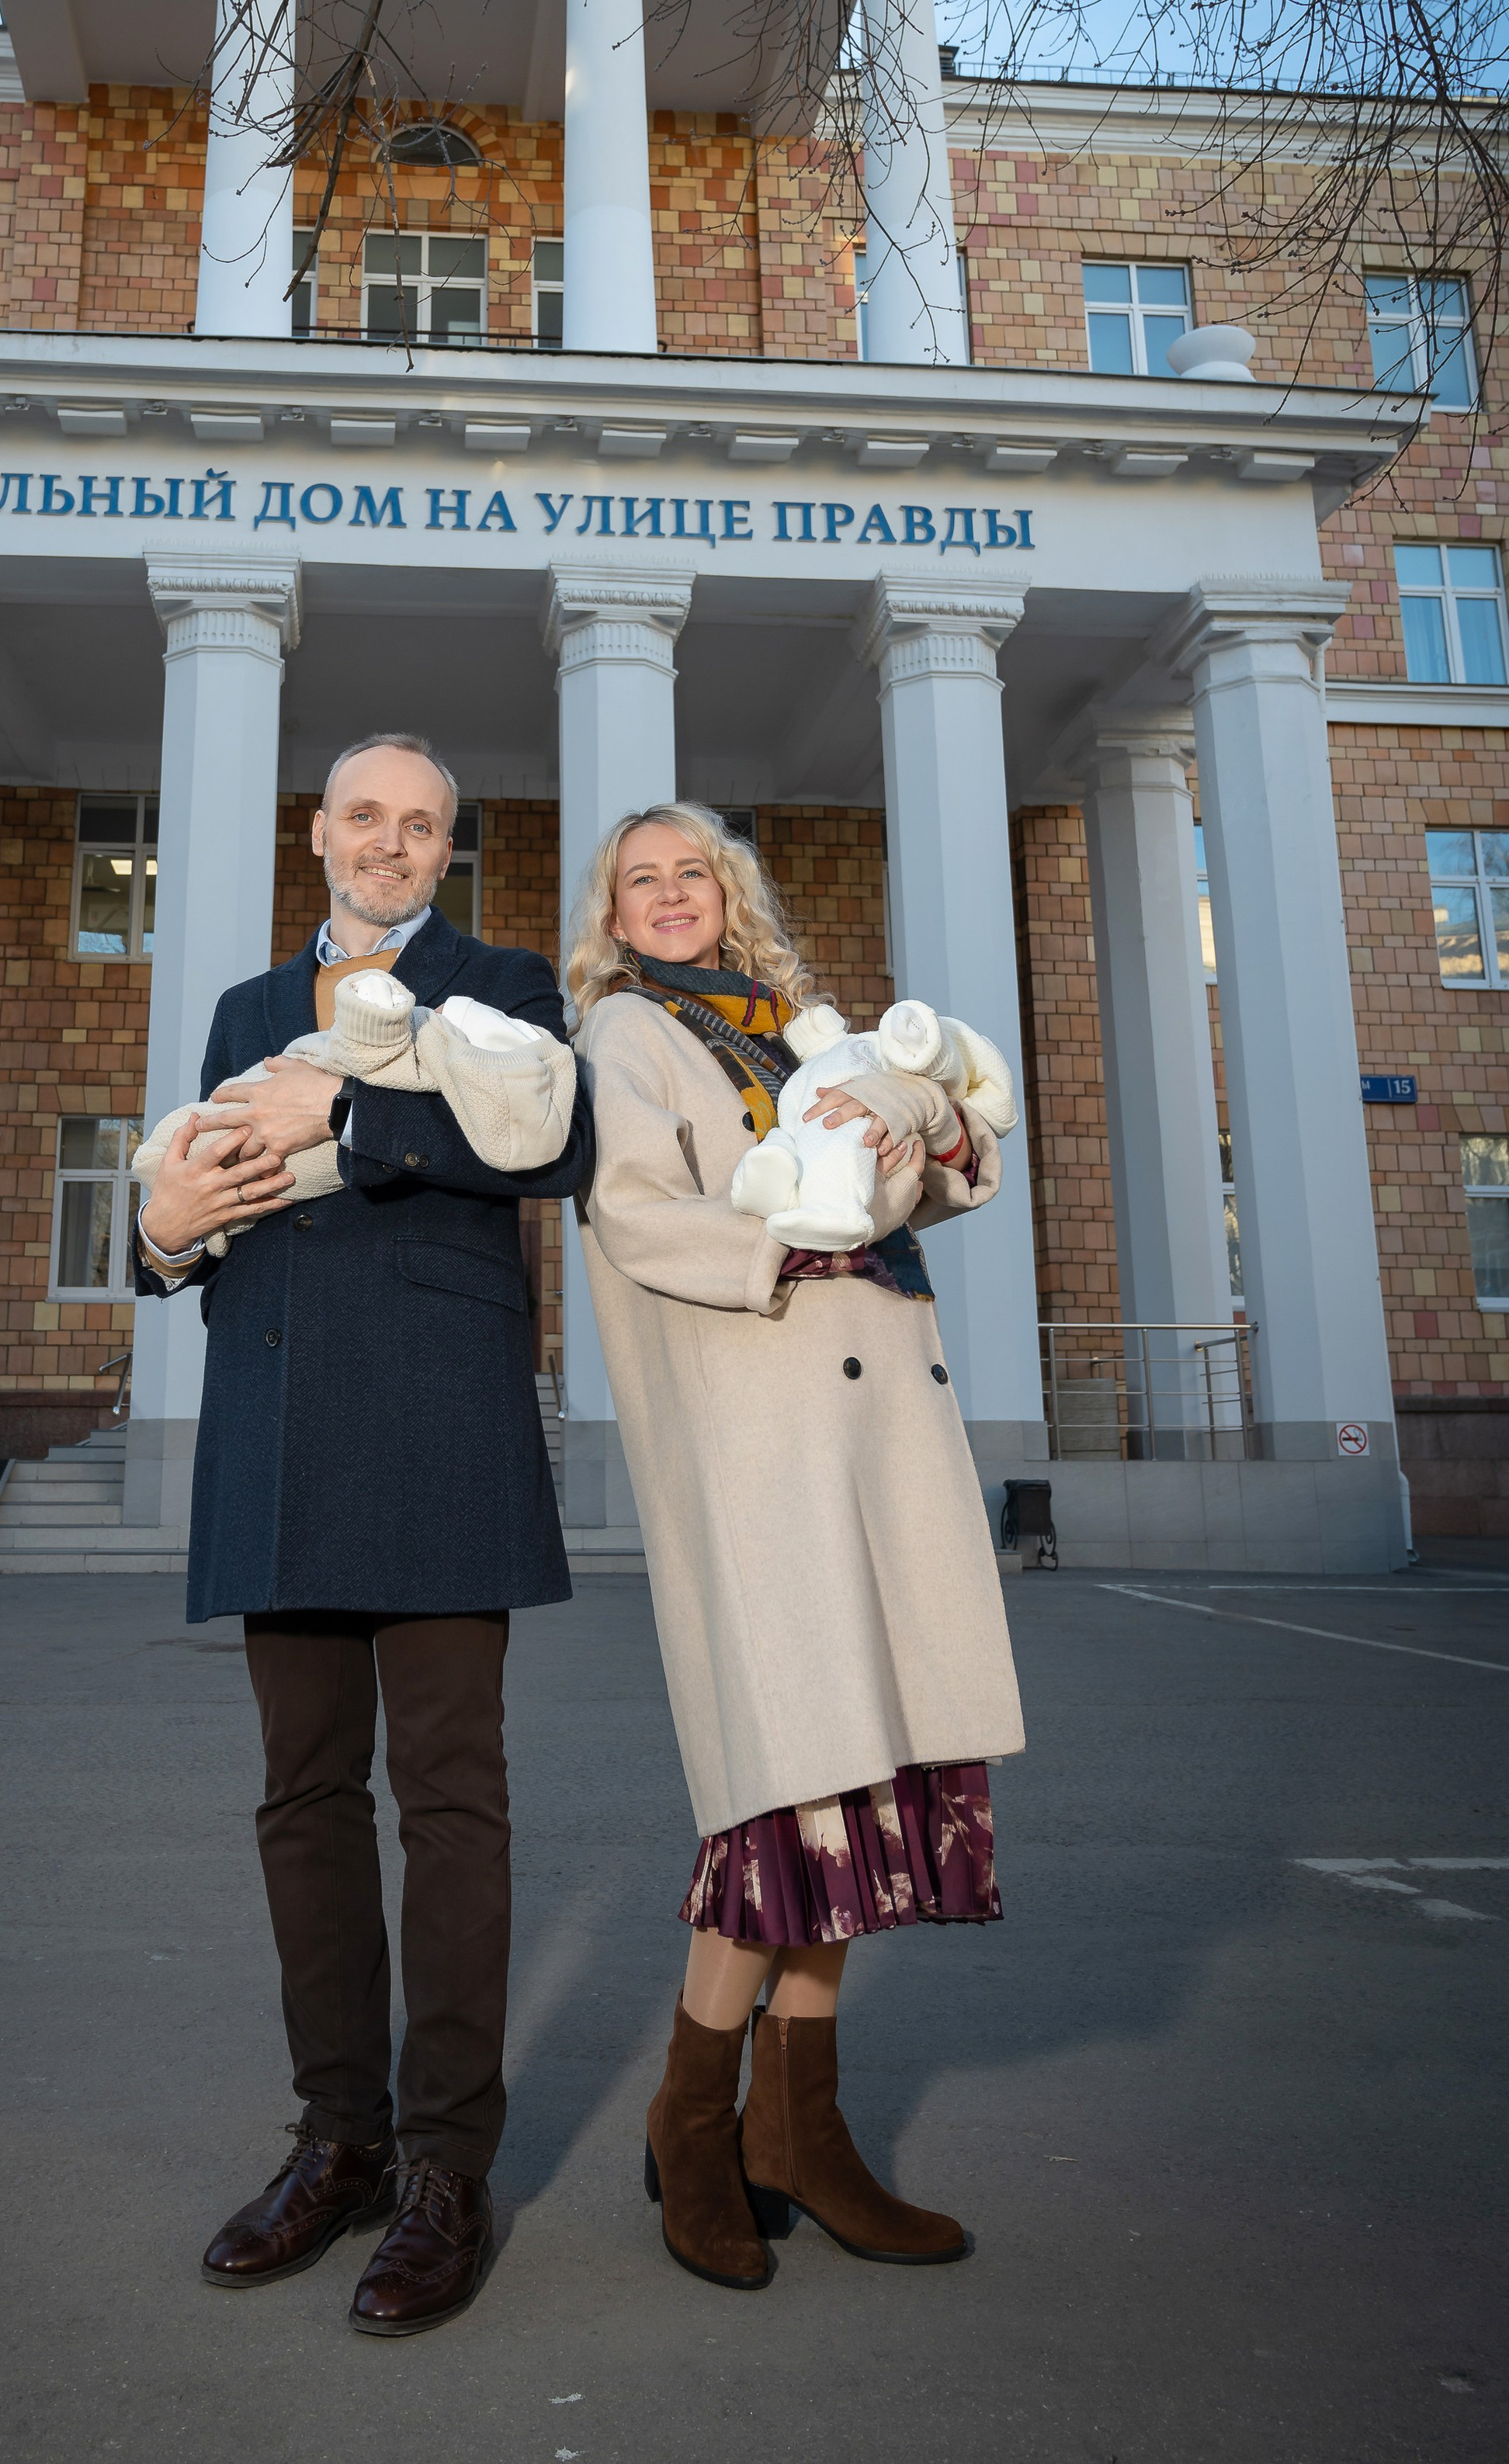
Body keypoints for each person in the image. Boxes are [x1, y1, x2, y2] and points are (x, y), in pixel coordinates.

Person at [134, 734, 593, 2338]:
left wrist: (356, 1102)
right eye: (365, 818)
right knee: (301, 1800)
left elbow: (556, 1146)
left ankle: (446, 2167)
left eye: (420, 825)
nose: (389, 844)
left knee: (452, 1799)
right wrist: (155, 1236)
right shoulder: (242, 1009)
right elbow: (192, 1179)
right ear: (317, 832)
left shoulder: (506, 980)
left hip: (440, 1428)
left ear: (444, 850)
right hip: (277, 1432)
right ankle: (336, 2139)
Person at [565, 804, 1025, 2291]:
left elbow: (929, 1183)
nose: (671, 896)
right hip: (760, 1429)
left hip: (882, 1427)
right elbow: (638, 1214)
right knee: (784, 1795)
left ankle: (799, 2134)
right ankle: (696, 2121)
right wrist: (791, 1238)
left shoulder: (802, 1025)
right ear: (616, 913)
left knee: (869, 1789)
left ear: (730, 891)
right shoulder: (626, 1037)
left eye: (692, 872)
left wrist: (930, 1130)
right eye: (643, 881)